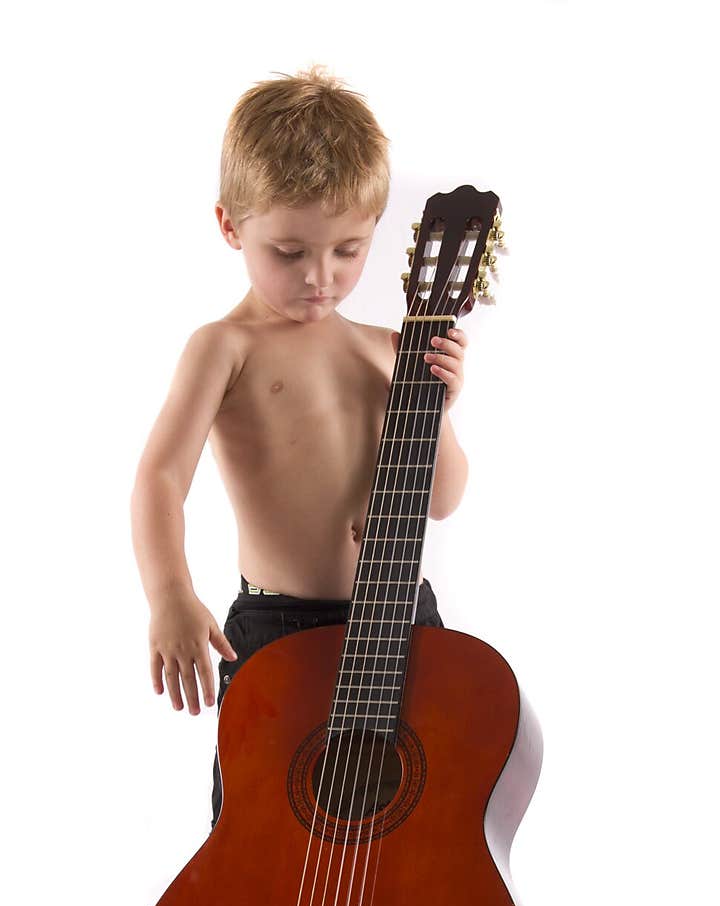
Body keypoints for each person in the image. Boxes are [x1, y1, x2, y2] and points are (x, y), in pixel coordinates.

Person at [130, 66, 469, 830]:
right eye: (289, 253)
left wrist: (434, 408)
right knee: (263, 831)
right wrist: (169, 596)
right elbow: (159, 477)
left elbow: (441, 498)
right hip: (278, 630)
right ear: (230, 227)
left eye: (349, 251)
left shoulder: (388, 349)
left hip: (398, 620)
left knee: (422, 824)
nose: (322, 279)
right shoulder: (225, 347)